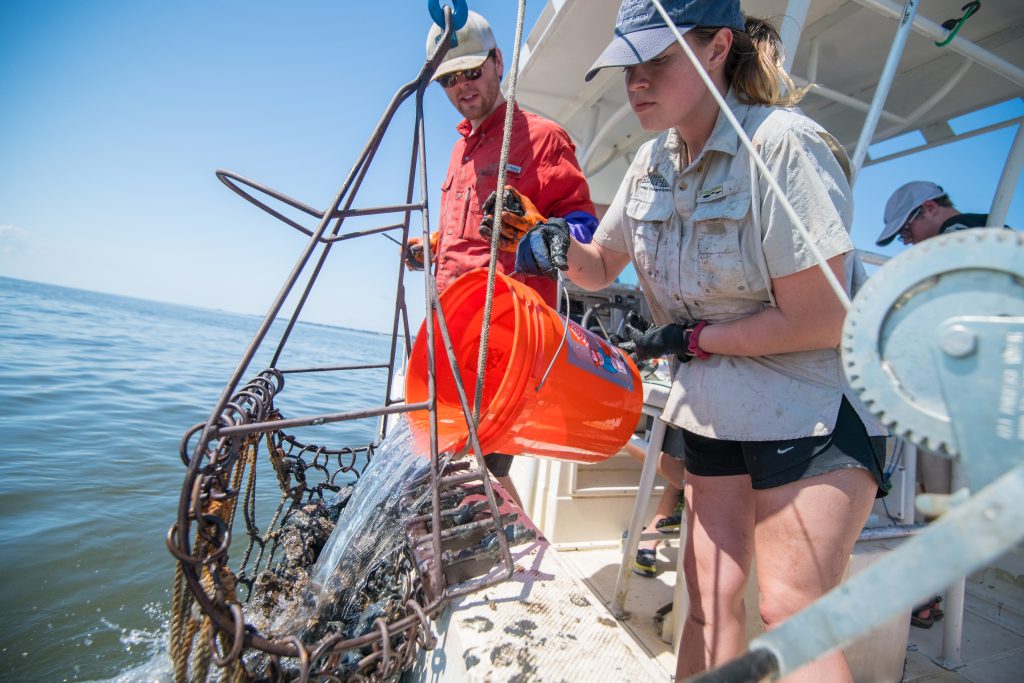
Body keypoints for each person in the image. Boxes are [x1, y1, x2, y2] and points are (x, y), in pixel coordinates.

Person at [516, 2, 888, 680]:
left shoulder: (781, 145)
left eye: (658, 60)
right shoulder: (648, 163)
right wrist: (553, 245)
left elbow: (823, 318)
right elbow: (600, 265)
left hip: (816, 400)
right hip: (719, 403)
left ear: (719, 48)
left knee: (790, 607)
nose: (637, 82)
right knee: (707, 601)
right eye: (631, 65)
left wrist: (698, 336)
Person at [419, 10, 598, 509]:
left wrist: (546, 230)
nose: (461, 87)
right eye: (449, 80)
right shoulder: (461, 149)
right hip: (450, 338)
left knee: (476, 475)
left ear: (499, 63)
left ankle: (513, 558)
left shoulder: (542, 138)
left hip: (502, 347)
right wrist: (432, 247)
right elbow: (468, 238)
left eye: (472, 71)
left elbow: (582, 226)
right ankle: (498, 545)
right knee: (456, 466)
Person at [876, 180, 996, 247]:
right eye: (902, 237)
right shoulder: (985, 226)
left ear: (929, 208)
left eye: (906, 232)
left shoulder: (956, 231)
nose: (907, 242)